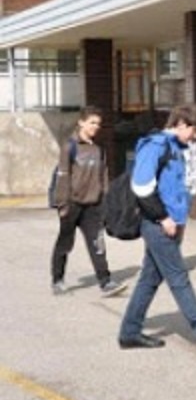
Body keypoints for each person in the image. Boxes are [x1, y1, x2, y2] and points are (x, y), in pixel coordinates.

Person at [119, 103, 196, 348]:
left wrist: (178, 220)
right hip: (158, 224)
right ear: (181, 124)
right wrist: (163, 218)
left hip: (169, 223)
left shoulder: (174, 147)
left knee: (149, 280)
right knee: (178, 276)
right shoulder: (156, 146)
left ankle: (129, 331)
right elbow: (141, 187)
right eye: (194, 130)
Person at [50, 106, 126, 297]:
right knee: (65, 243)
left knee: (97, 243)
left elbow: (104, 177)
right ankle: (57, 280)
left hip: (93, 206)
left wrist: (106, 202)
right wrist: (62, 205)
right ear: (81, 122)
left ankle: (105, 281)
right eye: (92, 122)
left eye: (98, 124)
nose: (96, 127)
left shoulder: (99, 149)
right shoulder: (70, 147)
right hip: (72, 205)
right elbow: (63, 176)